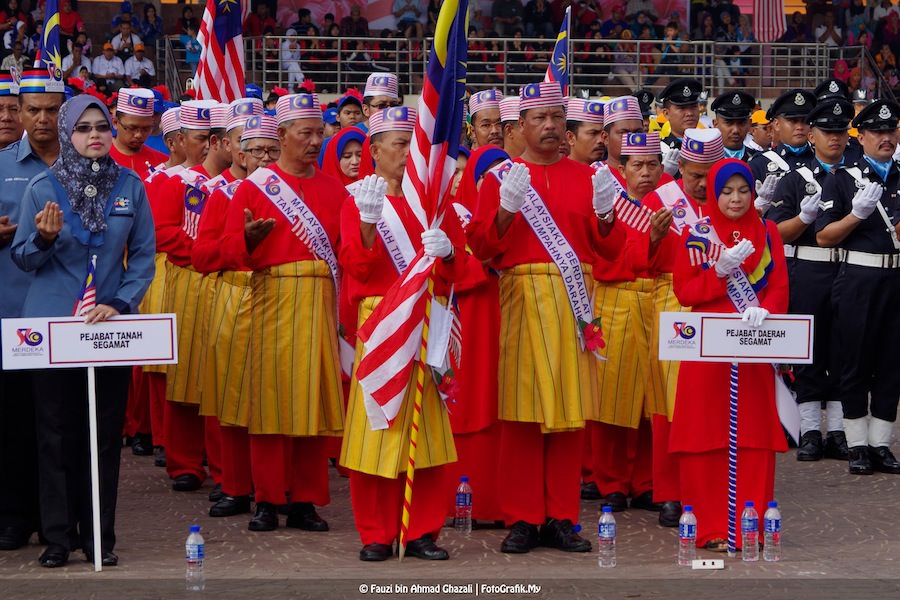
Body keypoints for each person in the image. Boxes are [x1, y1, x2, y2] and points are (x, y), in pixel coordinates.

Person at [467, 81, 625, 555]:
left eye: (557, 117)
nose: (551, 126)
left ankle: (561, 516)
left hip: (575, 303)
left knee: (569, 416)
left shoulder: (588, 178)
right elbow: (481, 246)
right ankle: (522, 517)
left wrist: (605, 215)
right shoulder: (500, 178)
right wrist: (505, 211)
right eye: (540, 118)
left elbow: (610, 251)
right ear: (519, 126)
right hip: (522, 298)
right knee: (522, 414)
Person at [10, 94, 155, 568]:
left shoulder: (130, 186)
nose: (94, 135)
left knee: (103, 435)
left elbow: (144, 258)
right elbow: (23, 258)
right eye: (83, 128)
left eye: (102, 127)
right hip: (53, 325)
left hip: (106, 326)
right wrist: (45, 238)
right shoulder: (42, 187)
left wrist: (119, 303)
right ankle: (57, 537)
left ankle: (98, 537)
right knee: (55, 433)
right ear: (68, 134)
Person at [339, 106, 464, 561]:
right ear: (374, 151)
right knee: (376, 427)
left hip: (425, 317)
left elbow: (458, 271)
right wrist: (368, 225)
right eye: (401, 144)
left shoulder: (434, 205)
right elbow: (357, 269)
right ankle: (376, 532)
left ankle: (422, 530)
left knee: (425, 431)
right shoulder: (356, 200)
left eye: (415, 144)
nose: (411, 153)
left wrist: (448, 253)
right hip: (381, 320)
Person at [219, 94, 342, 533]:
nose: (315, 141)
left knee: (313, 402)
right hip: (271, 299)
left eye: (319, 133)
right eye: (305, 133)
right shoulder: (254, 188)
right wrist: (247, 240)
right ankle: (268, 498)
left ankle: (306, 499)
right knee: (269, 404)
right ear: (283, 135)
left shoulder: (334, 189)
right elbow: (220, 252)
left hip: (319, 302)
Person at [671, 158, 789, 552]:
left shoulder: (768, 232)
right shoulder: (697, 233)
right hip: (706, 351)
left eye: (742, 191)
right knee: (705, 435)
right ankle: (709, 527)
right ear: (713, 193)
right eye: (726, 191)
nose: (735, 199)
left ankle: (748, 524)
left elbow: (779, 287)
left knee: (753, 436)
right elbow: (685, 292)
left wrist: (767, 311)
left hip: (754, 346)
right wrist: (718, 273)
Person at [642, 128, 725, 526]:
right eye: (695, 175)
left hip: (722, 304)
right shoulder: (661, 200)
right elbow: (637, 258)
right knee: (670, 404)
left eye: (710, 175)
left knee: (715, 401)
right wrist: (654, 239)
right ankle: (671, 492)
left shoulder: (733, 200)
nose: (703, 184)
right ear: (683, 168)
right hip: (673, 305)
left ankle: (712, 487)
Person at [816, 99, 900, 476]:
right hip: (859, 280)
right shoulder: (843, 178)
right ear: (861, 136)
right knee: (855, 360)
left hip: (896, 278)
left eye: (891, 130)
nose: (886, 137)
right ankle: (856, 444)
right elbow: (823, 236)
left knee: (892, 363)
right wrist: (856, 215)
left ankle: (880, 442)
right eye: (877, 131)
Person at [193, 107, 269, 519]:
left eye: (271, 151)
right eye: (255, 150)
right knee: (233, 400)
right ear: (239, 153)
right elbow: (202, 256)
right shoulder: (221, 194)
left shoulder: (296, 192)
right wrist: (241, 242)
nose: (263, 158)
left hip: (286, 305)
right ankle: (233, 483)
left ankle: (278, 488)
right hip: (236, 299)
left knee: (278, 400)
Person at [767, 99, 852, 462]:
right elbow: (775, 232)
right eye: (827, 131)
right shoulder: (796, 179)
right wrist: (803, 218)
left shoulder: (859, 176)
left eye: (840, 131)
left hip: (848, 269)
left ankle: (839, 431)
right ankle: (810, 431)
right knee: (809, 352)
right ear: (812, 136)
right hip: (809, 270)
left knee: (844, 350)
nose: (835, 138)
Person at [0, 68, 60, 553]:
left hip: (67, 317)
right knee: (13, 422)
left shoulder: (84, 167)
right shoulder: (1, 165)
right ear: (19, 114)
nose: (43, 119)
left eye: (52, 110)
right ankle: (14, 516)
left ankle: (58, 521)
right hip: (12, 315)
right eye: (33, 110)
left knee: (60, 424)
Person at [150, 99, 220, 492]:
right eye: (199, 137)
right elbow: (162, 231)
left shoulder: (237, 183)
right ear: (180, 141)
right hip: (190, 280)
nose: (207, 145)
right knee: (184, 378)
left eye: (213, 137)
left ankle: (222, 463)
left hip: (228, 282)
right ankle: (185, 462)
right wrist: (205, 252)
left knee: (224, 379)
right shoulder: (172, 182)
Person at [445, 144, 507, 525]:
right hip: (468, 320)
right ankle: (461, 498)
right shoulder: (451, 215)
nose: (495, 183)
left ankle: (498, 501)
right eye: (486, 176)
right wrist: (479, 265)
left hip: (506, 316)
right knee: (467, 404)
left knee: (503, 404)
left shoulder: (517, 216)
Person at [749, 89, 817, 203]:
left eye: (805, 121)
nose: (799, 127)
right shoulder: (759, 164)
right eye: (793, 121)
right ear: (776, 124)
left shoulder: (821, 159)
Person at [110, 88, 166, 180]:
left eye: (146, 129)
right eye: (132, 128)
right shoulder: (100, 157)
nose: (139, 135)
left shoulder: (162, 163)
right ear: (115, 123)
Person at [657, 78, 702, 178]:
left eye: (693, 107)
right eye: (682, 108)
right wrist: (664, 176)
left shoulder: (709, 145)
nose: (689, 113)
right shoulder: (659, 150)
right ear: (666, 113)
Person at [711, 91, 755, 162]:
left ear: (749, 124)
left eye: (741, 123)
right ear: (715, 124)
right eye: (728, 123)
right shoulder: (705, 161)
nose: (736, 130)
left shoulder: (758, 161)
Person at [565, 97, 606, 166]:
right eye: (593, 133)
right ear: (570, 137)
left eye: (604, 134)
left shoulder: (616, 171)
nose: (601, 140)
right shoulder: (558, 171)